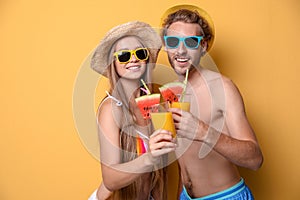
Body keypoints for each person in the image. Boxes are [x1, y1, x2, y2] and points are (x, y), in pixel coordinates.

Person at [151, 4, 264, 199]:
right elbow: (184, 160)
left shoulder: (222, 88)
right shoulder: (171, 93)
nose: (181, 50)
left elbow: (255, 159)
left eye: (191, 42)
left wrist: (203, 131)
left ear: (203, 47)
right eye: (173, 41)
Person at [89, 21, 176, 199]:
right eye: (123, 55)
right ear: (113, 63)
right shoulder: (111, 108)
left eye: (140, 53)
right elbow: (110, 180)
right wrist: (149, 158)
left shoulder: (154, 105)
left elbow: (158, 174)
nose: (134, 59)